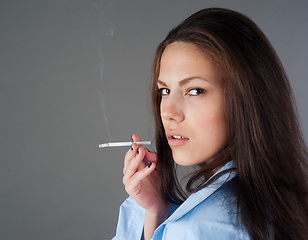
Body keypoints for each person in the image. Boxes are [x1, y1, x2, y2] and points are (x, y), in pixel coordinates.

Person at [112, 8, 308, 240]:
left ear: (246, 98)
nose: (167, 112)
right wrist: (156, 212)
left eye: (195, 90)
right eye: (165, 90)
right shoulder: (284, 203)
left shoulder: (197, 228)